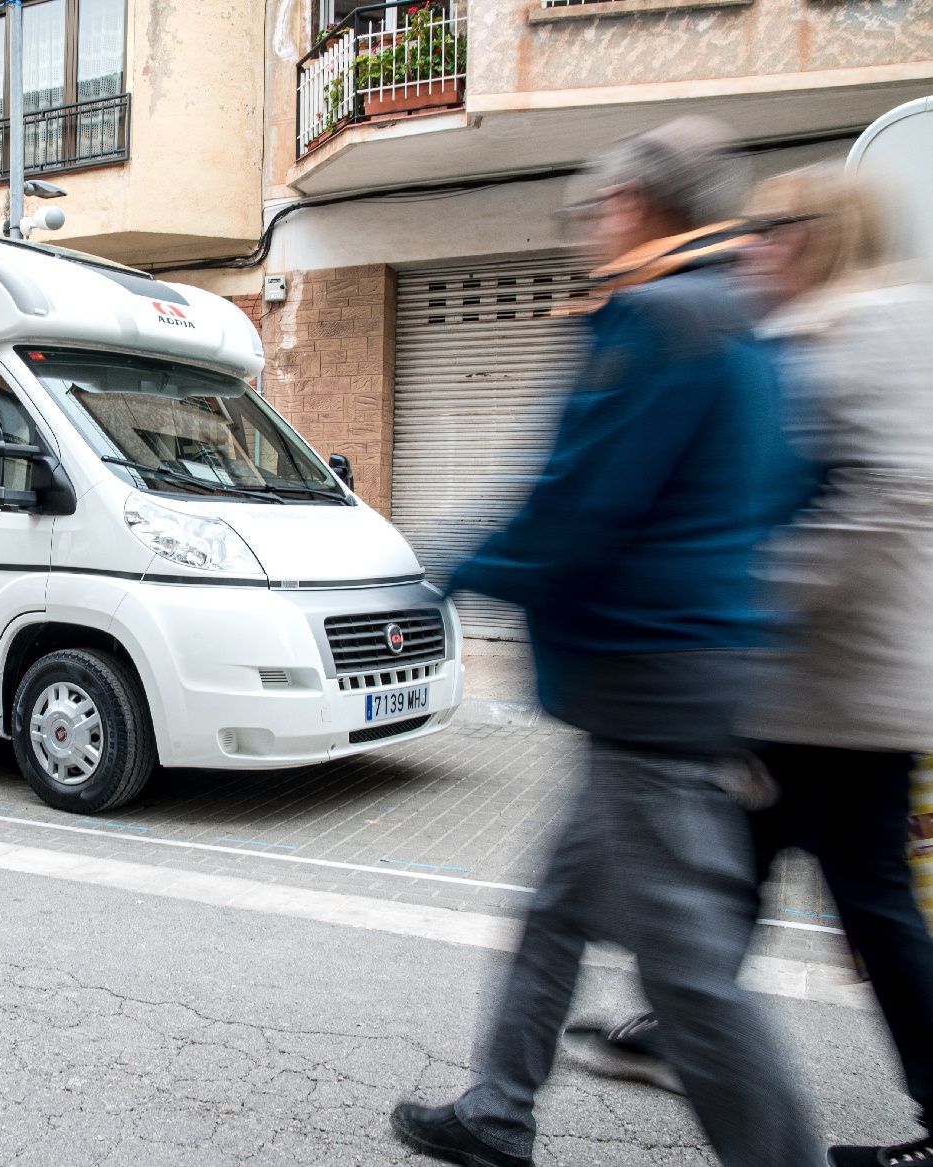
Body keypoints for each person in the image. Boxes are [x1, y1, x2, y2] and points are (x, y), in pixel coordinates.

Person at [388, 118, 822, 1167]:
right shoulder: (745, 316)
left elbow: (575, 508)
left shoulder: (657, 318)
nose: (586, 231)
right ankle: (495, 1112)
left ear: (630, 205)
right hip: (679, 671)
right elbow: (787, 487)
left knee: (685, 975)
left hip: (649, 681)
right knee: (554, 909)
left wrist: (448, 570)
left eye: (593, 211)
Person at [563, 166, 933, 1167]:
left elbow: (893, 494)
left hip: (847, 688)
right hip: (790, 686)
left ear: (822, 232)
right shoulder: (799, 331)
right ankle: (679, 1022)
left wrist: (753, 585)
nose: (749, 246)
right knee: (739, 867)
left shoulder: (882, 320)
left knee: (864, 900)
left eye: (768, 228)